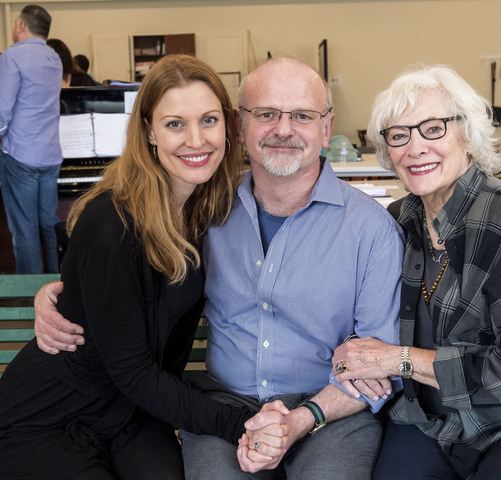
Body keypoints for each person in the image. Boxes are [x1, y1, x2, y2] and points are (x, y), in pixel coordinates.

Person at [34, 56, 405, 479]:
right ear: (240, 126)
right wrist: (55, 296)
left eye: (302, 115)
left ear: (325, 128)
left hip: (329, 412)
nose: (283, 129)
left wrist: (301, 419)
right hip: (221, 406)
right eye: (266, 114)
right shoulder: (204, 210)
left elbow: (378, 367)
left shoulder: (371, 230)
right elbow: (117, 271)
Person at [0, 54, 263, 480]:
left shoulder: (209, 207)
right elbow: (133, 369)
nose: (196, 140)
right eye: (175, 123)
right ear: (149, 131)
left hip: (131, 411)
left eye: (209, 120)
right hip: (51, 414)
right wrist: (239, 424)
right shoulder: (112, 223)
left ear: (229, 126)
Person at [331, 65, 501, 480]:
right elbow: (361, 315)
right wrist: (357, 349)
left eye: (433, 128)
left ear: (469, 137)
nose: (415, 148)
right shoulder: (400, 220)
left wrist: (396, 360)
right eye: (399, 135)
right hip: (431, 419)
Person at [0, 4, 63, 273]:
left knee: (24, 230)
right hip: (50, 156)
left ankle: (31, 296)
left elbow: (2, 110)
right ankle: (57, 284)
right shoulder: (54, 58)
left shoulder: (11, 57)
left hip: (21, 155)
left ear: (21, 25)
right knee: (49, 223)